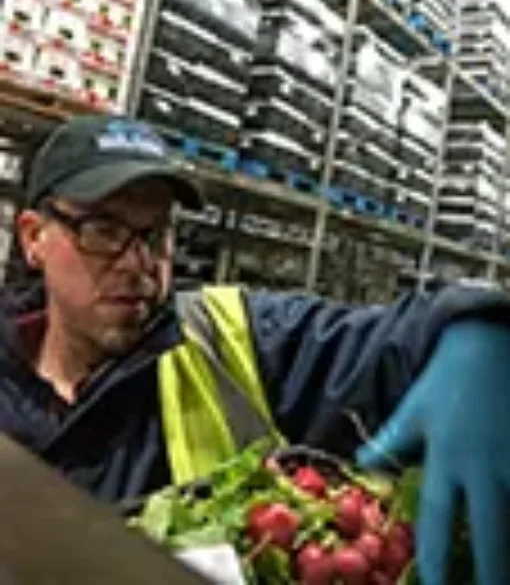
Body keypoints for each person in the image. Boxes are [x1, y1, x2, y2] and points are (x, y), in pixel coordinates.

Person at [3, 113, 510, 585]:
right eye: (104, 230)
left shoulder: (227, 338)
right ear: (34, 238)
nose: (139, 262)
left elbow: (379, 346)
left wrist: (472, 328)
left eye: (155, 234)